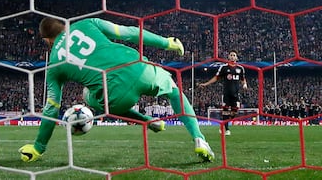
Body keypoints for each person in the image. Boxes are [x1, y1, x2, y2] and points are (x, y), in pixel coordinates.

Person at [19, 17, 215, 163]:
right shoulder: (88, 23)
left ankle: (149, 122)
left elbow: (51, 108)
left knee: (90, 95)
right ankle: (199, 139)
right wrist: (166, 42)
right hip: (139, 68)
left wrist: (38, 148)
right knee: (174, 92)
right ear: (64, 25)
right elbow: (129, 32)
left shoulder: (54, 64)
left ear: (47, 40)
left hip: (116, 96)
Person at [198, 50, 247, 136]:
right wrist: (206, 84)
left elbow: (243, 79)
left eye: (234, 55)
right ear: (228, 57)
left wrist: (245, 84)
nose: (232, 56)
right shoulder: (224, 68)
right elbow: (216, 78)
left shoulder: (240, 68)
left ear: (236, 57)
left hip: (236, 94)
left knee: (235, 111)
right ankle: (227, 129)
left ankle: (223, 124)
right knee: (225, 111)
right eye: (231, 55)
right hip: (226, 94)